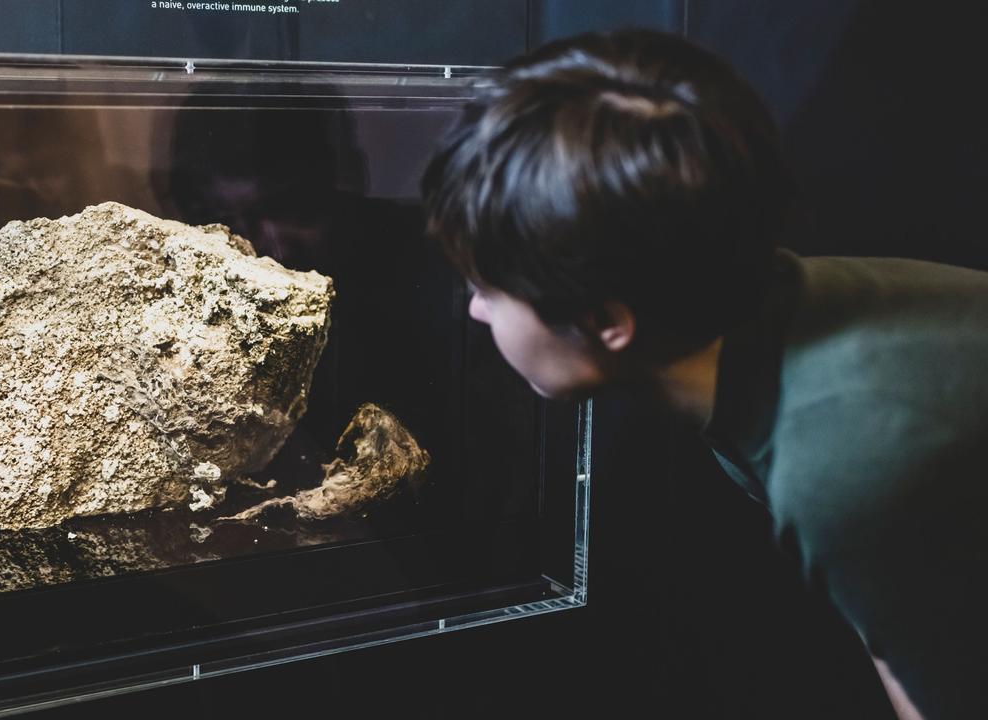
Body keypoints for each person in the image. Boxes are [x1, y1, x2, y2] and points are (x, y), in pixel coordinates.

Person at [422, 29, 987, 720]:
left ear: (606, 320)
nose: (477, 311)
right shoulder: (776, 313)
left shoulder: (841, 457)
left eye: (489, 286)